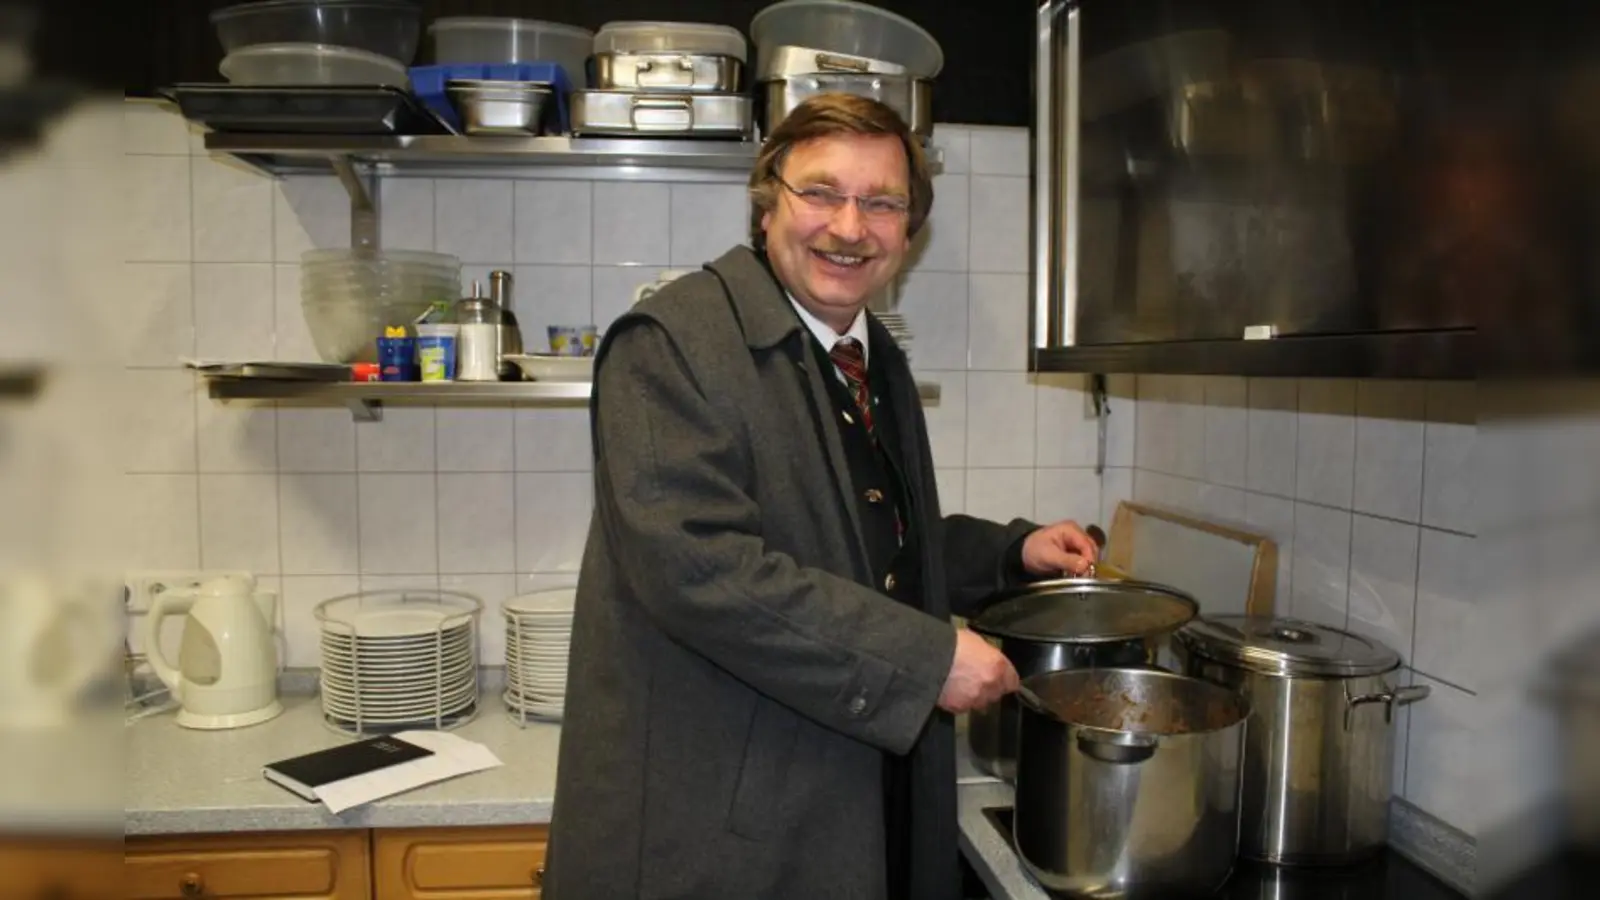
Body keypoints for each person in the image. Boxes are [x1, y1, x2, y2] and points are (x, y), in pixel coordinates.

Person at [542, 93, 1099, 900]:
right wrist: (926, 658)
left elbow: (865, 541)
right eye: (821, 192)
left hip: (837, 794)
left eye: (882, 203)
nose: (849, 226)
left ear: (909, 232)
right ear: (767, 202)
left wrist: (1012, 552)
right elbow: (698, 569)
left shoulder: (865, 355)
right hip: (717, 828)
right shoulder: (672, 344)